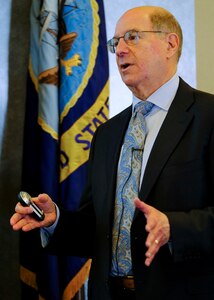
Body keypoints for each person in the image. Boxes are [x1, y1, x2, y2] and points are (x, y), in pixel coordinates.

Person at [10, 6, 214, 300]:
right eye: (115, 42)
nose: (119, 50)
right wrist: (56, 220)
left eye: (132, 37)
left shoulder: (207, 117)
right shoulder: (107, 133)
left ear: (171, 44)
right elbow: (99, 228)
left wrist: (175, 227)